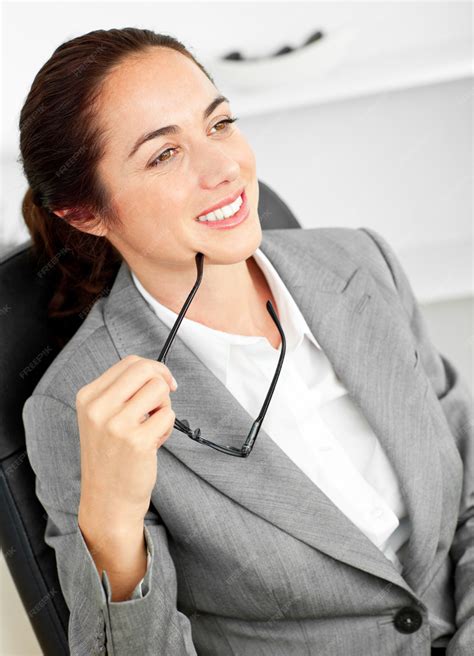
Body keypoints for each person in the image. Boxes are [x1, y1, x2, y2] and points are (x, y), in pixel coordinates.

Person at [19, 27, 472, 656]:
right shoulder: (73, 409)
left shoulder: (359, 261)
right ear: (84, 212)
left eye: (220, 123)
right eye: (163, 155)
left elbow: (467, 479)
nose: (223, 167)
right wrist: (112, 526)